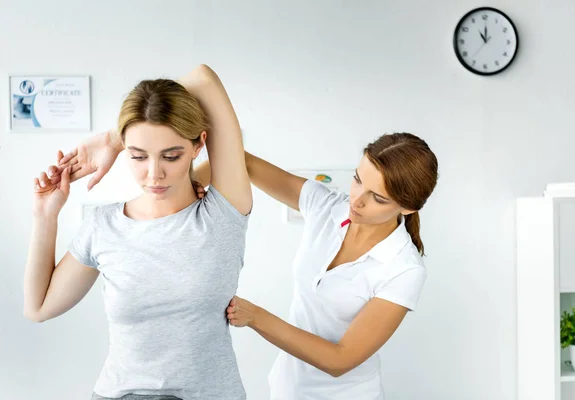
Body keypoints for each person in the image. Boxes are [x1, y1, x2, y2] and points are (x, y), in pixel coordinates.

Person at [54, 126, 438, 399]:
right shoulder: (328, 207)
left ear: (408, 206)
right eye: (357, 180)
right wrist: (189, 192)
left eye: (377, 198)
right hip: (285, 388)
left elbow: (340, 360)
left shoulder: (403, 270)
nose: (356, 200)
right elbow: (243, 163)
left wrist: (256, 317)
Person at [24, 65, 251, 400]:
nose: (153, 174)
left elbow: (204, 79)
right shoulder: (104, 226)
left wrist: (111, 139)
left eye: (171, 156)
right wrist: (45, 215)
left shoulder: (223, 211)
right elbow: (38, 308)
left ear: (198, 144)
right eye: (138, 156)